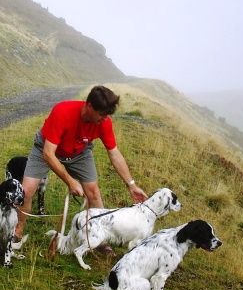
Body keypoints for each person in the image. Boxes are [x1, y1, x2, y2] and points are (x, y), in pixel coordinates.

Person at [14, 85, 148, 240]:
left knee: (93, 192)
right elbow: (48, 154)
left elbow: (114, 153)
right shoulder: (63, 111)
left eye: (107, 115)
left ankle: (98, 237)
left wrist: (131, 184)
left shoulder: (104, 122)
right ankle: (18, 230)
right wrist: (70, 181)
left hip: (79, 152)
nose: (105, 119)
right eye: (102, 114)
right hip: (46, 149)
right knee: (26, 191)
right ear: (89, 105)